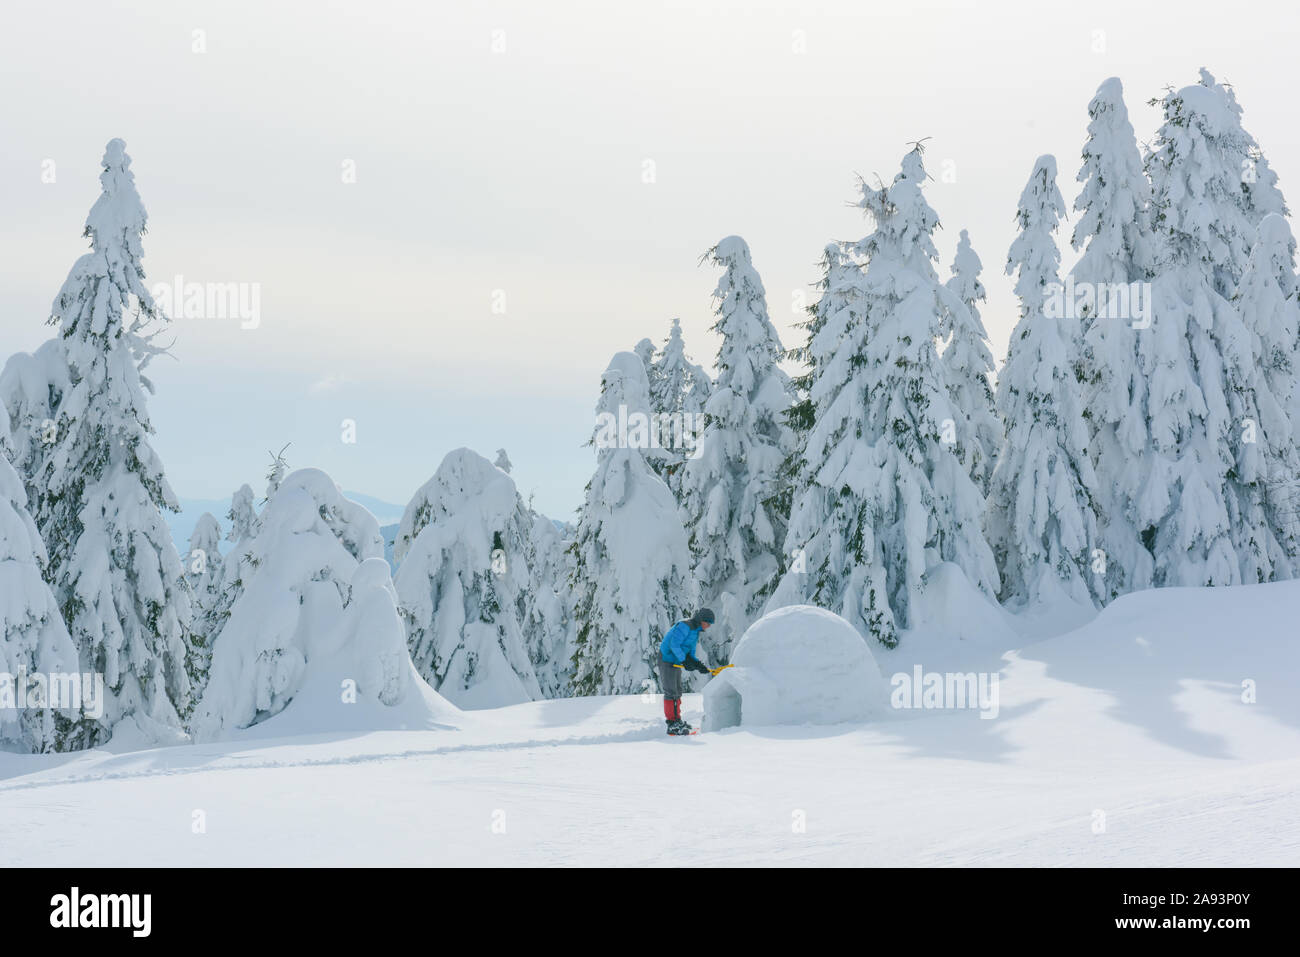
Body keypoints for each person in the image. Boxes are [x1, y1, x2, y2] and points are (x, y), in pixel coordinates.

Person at [658, 608, 716, 735]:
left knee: (677, 691)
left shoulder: (695, 631)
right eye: (708, 622)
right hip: (667, 658)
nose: (709, 626)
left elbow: (690, 652)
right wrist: (684, 660)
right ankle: (672, 724)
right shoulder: (685, 626)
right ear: (701, 620)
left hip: (676, 661)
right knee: (670, 691)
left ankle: (677, 720)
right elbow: (674, 645)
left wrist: (698, 665)